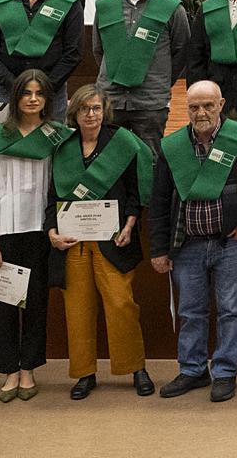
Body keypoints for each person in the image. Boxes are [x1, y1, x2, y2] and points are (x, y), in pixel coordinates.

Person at [148, 80, 237, 403]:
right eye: (194, 107)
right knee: (190, 310)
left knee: (231, 310)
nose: (201, 112)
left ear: (221, 104)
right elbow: (159, 202)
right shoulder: (172, 147)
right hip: (187, 244)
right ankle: (193, 369)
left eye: (208, 106)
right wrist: (159, 249)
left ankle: (225, 372)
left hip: (232, 244)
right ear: (185, 108)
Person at [46, 85, 154, 400]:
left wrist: (131, 224)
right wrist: (51, 231)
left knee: (121, 303)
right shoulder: (63, 147)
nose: (91, 115)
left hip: (113, 239)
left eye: (95, 108)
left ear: (103, 110)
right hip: (73, 241)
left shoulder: (121, 142)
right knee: (77, 308)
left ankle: (136, 368)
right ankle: (84, 374)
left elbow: (135, 191)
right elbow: (51, 196)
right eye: (84, 109)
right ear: (74, 113)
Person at [0, 68, 67, 402]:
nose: (32, 99)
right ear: (15, 98)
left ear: (46, 99)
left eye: (39, 93)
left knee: (37, 303)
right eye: (26, 93)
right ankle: (9, 370)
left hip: (40, 231)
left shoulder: (56, 136)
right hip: (5, 231)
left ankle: (28, 369)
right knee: (5, 305)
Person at [93, 0, 191, 155]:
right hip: (110, 101)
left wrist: (159, 79)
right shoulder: (105, 7)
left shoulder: (172, 8)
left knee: (149, 163)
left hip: (150, 104)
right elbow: (99, 51)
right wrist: (119, 72)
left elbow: (181, 51)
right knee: (108, 161)